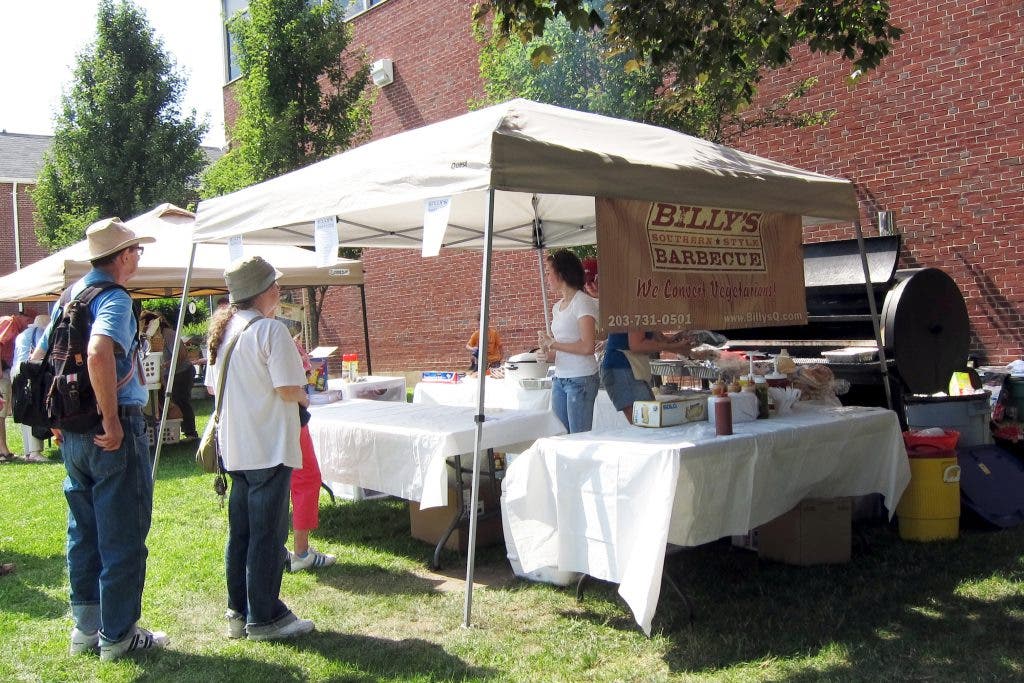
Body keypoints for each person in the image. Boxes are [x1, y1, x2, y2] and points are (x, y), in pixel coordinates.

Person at [30, 218, 166, 660]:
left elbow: (40, 357)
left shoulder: (68, 296)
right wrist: (110, 419)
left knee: (83, 531)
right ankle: (119, 634)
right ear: (123, 256)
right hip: (112, 426)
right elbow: (98, 351)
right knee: (122, 530)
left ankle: (86, 630)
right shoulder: (113, 298)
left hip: (72, 431)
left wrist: (57, 414)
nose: (139, 258)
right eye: (137, 252)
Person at [205, 255, 315, 641]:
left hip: (236, 447)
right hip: (268, 444)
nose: (279, 291)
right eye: (275, 285)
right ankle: (264, 617)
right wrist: (306, 398)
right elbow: (288, 388)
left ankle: (240, 612)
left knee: (243, 535)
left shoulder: (222, 333)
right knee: (267, 536)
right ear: (262, 292)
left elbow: (213, 389)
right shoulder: (270, 331)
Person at [288, 333, 336, 572]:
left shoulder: (235, 334)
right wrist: (304, 399)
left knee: (278, 484)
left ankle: (287, 551)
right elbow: (290, 383)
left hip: (263, 424)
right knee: (306, 480)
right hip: (289, 419)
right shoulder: (271, 334)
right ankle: (301, 552)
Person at [538, 250, 600, 433]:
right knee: (560, 435)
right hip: (560, 378)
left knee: (578, 438)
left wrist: (553, 344)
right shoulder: (557, 307)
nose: (547, 277)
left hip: (581, 378)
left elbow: (588, 346)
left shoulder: (583, 302)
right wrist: (545, 353)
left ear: (561, 273)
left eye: (549, 272)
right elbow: (562, 347)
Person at [601, 331, 695, 423]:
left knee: (650, 421)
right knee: (646, 423)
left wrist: (676, 339)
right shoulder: (636, 315)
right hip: (622, 367)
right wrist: (675, 347)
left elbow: (658, 339)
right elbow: (637, 345)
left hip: (630, 368)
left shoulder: (648, 316)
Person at [12, 314, 51, 461]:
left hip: (16, 372)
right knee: (34, 408)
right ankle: (35, 452)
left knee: (23, 409)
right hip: (30, 373)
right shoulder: (41, 333)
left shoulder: (22, 335)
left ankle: (28, 451)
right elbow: (41, 354)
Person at [157, 314, 198, 440]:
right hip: (173, 374)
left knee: (181, 401)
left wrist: (164, 366)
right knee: (176, 401)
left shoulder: (168, 334)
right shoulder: (159, 336)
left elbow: (180, 355)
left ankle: (191, 433)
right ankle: (181, 431)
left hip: (182, 373)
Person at [0, 309, 34, 460]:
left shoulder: (14, 326)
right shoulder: (10, 323)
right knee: (0, 411)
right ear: (21, 316)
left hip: (5, 369)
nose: (29, 324)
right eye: (29, 320)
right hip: (1, 372)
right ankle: (3, 451)